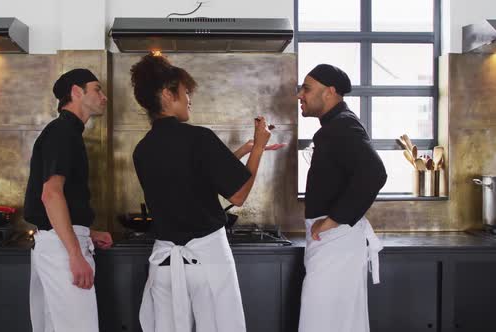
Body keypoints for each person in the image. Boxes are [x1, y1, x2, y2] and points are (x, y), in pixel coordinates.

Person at [130, 53, 277, 332]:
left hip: (164, 267)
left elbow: (192, 176)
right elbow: (238, 195)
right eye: (185, 93)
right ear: (168, 94)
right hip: (207, 261)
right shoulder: (199, 138)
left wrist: (243, 151)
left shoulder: (143, 149)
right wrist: (258, 147)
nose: (189, 100)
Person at [297, 64, 387, 332]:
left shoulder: (342, 125)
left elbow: (374, 173)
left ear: (330, 92)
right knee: (337, 320)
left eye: (307, 88)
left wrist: (335, 219)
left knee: (322, 320)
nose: (300, 95)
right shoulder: (336, 124)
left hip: (337, 239)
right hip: (335, 239)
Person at [23, 68, 113, 332]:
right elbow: (51, 194)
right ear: (76, 92)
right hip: (62, 248)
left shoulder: (65, 132)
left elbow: (58, 198)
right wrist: (75, 253)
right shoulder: (63, 132)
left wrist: (88, 231)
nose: (104, 96)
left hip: (57, 242)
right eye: (97, 89)